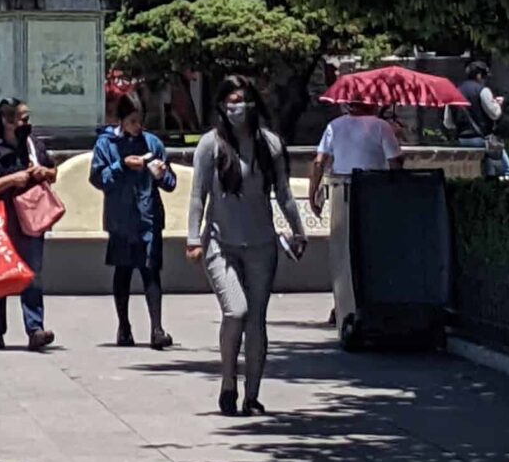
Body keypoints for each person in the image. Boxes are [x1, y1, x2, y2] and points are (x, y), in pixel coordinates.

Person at [189, 77, 308, 415]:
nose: (235, 107)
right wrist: (193, 239)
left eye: (240, 99)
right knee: (235, 310)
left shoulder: (269, 145)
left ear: (253, 103)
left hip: (261, 244)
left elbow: (284, 193)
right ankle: (229, 380)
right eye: (228, 100)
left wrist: (298, 232)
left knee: (256, 319)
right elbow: (198, 196)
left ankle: (252, 394)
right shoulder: (210, 145)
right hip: (220, 244)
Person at [89, 95, 176, 349]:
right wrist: (121, 166)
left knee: (151, 272)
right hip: (121, 220)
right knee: (123, 271)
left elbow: (170, 183)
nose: (137, 127)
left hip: (148, 219)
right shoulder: (107, 144)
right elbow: (98, 178)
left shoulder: (153, 143)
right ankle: (124, 326)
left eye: (140, 121)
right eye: (132, 121)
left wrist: (161, 174)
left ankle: (157, 328)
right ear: (121, 120)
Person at [0, 98, 57, 352]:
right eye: (22, 118)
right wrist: (12, 180)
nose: (27, 123)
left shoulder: (33, 145)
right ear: (6, 121)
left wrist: (44, 172)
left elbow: (54, 172)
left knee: (32, 275)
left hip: (30, 220)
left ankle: (35, 329)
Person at [309, 96, 401, 215]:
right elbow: (395, 163)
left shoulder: (333, 125)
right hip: (373, 187)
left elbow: (319, 163)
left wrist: (312, 195)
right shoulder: (382, 126)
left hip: (340, 189)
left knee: (343, 229)